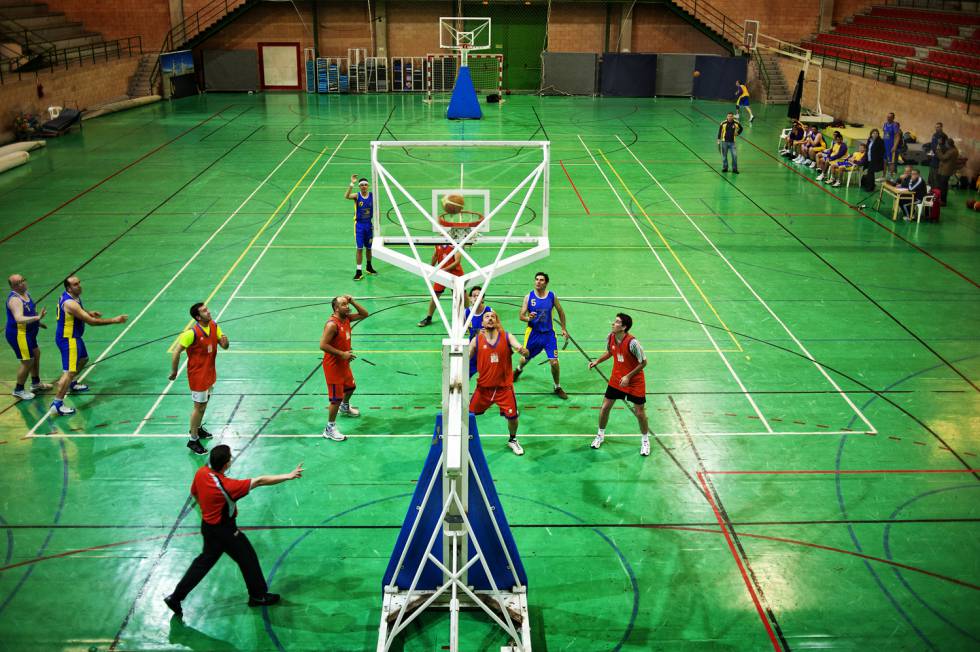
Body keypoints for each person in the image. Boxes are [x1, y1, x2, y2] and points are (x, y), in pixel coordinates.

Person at [164, 444, 303, 618]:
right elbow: (259, 481)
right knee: (248, 558)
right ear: (226, 465)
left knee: (203, 563)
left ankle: (175, 597)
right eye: (230, 458)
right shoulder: (228, 487)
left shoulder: (201, 473)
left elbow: (195, 493)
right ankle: (258, 596)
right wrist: (288, 476)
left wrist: (208, 511)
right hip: (225, 531)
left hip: (208, 527)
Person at [49, 276, 127, 416]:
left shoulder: (72, 297)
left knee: (83, 359)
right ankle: (57, 403)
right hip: (68, 340)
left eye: (79, 283)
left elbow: (78, 313)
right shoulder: (70, 303)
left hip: (75, 337)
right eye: (75, 284)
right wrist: (115, 320)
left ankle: (71, 384)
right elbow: (92, 322)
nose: (79, 285)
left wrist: (88, 312)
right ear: (68, 288)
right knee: (68, 372)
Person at [169, 303, 229, 456]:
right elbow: (176, 352)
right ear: (197, 317)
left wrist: (225, 342)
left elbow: (224, 345)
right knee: (199, 407)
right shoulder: (191, 333)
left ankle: (198, 428)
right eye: (204, 311)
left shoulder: (214, 325)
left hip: (210, 373)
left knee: (204, 404)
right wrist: (174, 371)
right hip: (198, 376)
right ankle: (193, 439)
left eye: (207, 309)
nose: (208, 311)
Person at [588, 313, 651, 456]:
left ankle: (646, 441)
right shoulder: (611, 337)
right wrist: (597, 361)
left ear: (624, 327)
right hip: (617, 378)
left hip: (634, 381)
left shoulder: (633, 343)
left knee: (640, 413)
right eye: (614, 321)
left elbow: (644, 362)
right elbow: (610, 352)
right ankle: (600, 435)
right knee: (605, 407)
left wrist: (628, 376)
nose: (613, 324)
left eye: (617, 322)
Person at [469, 311, 529, 456]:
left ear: (497, 322)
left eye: (493, 317)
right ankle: (466, 440)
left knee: (513, 417)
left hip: (504, 388)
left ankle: (513, 440)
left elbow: (520, 348)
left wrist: (523, 351)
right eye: (487, 317)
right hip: (483, 389)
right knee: (468, 415)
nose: (490, 318)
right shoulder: (476, 341)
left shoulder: (507, 336)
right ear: (482, 323)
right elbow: (465, 358)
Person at [513, 272, 569, 399]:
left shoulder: (552, 296)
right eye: (537, 279)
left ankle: (557, 386)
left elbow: (561, 311)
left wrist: (564, 328)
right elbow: (521, 316)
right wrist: (528, 318)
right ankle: (518, 370)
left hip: (548, 335)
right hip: (534, 334)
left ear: (546, 283)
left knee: (554, 362)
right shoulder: (529, 297)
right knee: (525, 357)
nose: (538, 282)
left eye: (541, 280)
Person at [320, 294, 369, 441]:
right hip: (333, 365)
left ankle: (345, 407)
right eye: (343, 304)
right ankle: (329, 428)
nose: (347, 306)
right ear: (336, 308)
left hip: (343, 363)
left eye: (347, 304)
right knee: (336, 398)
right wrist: (342, 354)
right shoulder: (332, 324)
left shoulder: (346, 318)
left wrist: (353, 300)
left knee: (350, 387)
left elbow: (364, 314)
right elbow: (323, 345)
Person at [6, 274, 51, 401]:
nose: (23, 283)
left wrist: (38, 323)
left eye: (23, 280)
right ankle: (18, 389)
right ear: (14, 286)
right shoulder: (15, 300)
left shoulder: (25, 294)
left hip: (30, 333)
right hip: (19, 334)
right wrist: (37, 318)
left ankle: (35, 384)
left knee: (36, 354)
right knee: (27, 361)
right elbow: (19, 318)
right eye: (19, 282)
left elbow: (29, 311)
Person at [417, 242, 464, 327]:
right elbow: (435, 255)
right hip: (442, 273)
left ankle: (463, 319)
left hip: (455, 273)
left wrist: (444, 270)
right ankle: (428, 318)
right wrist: (430, 269)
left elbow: (457, 262)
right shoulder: (438, 242)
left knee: (460, 296)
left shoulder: (455, 244)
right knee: (435, 295)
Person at [345, 175, 378, 281]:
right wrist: (352, 183)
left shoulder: (372, 195)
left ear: (368, 186)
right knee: (359, 248)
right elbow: (347, 196)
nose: (364, 186)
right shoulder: (357, 196)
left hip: (369, 225)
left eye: (365, 185)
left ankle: (369, 267)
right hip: (359, 225)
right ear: (359, 187)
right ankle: (358, 271)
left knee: (369, 247)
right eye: (362, 185)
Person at [464, 285, 492, 378]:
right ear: (470, 299)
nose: (476, 297)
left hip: (487, 350)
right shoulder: (466, 312)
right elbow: (461, 331)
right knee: (464, 376)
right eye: (474, 295)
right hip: (473, 350)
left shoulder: (489, 312)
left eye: (479, 296)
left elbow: (499, 331)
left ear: (483, 299)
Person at [936, 137, 959, 206]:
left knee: (943, 187)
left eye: (946, 144)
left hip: (945, 171)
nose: (945, 145)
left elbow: (943, 158)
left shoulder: (951, 151)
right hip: (946, 170)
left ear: (949, 144)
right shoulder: (954, 150)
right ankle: (942, 200)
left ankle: (943, 201)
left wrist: (938, 150)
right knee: (943, 186)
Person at [882, 112, 902, 181]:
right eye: (887, 117)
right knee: (884, 161)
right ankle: (883, 176)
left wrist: (895, 146)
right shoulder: (885, 124)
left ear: (893, 118)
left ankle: (891, 177)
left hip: (891, 146)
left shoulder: (895, 125)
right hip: (885, 146)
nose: (888, 118)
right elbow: (884, 134)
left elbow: (897, 137)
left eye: (890, 117)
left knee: (891, 162)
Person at [926, 122, 947, 187]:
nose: (936, 128)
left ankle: (936, 189)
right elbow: (933, 145)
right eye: (936, 127)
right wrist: (930, 153)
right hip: (933, 157)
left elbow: (944, 147)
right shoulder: (934, 135)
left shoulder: (943, 136)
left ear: (941, 127)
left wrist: (939, 154)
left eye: (938, 127)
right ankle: (930, 187)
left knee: (936, 174)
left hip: (938, 158)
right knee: (931, 174)